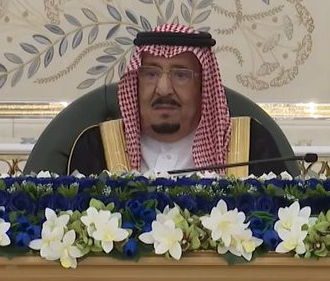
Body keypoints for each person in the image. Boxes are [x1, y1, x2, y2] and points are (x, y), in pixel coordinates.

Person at [67, 23, 285, 176]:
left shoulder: (250, 145)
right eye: (151, 74)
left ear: (203, 86)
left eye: (181, 75)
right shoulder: (97, 146)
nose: (163, 89)